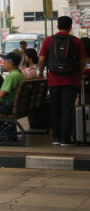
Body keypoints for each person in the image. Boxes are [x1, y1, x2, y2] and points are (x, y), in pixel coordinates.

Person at [39, 16, 88, 146]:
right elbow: (83, 61)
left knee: (55, 108)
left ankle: (55, 138)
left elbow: (42, 59)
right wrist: (80, 73)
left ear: (57, 26)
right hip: (71, 80)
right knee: (67, 109)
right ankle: (65, 139)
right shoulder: (76, 41)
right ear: (70, 27)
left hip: (53, 80)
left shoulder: (49, 40)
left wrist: (40, 72)